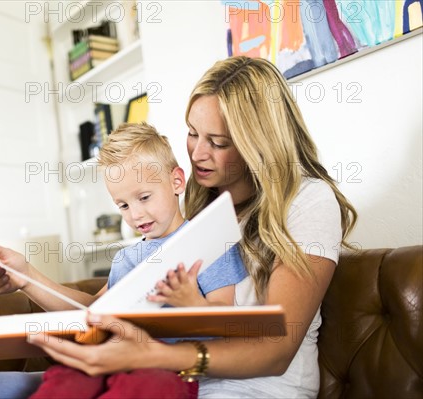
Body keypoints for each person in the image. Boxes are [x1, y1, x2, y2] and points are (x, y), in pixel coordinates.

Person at [25, 56, 358, 398]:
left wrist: (153, 354)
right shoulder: (199, 212)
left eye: (217, 142)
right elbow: (93, 311)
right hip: (171, 377)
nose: (197, 153)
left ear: (258, 143)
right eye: (193, 133)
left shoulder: (307, 202)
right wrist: (26, 278)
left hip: (251, 390)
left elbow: (275, 350)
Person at [0, 122, 248, 399]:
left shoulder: (208, 242)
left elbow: (227, 326)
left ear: (176, 181)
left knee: (148, 386)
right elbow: (87, 311)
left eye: (144, 197)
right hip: (110, 358)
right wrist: (27, 277)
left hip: (169, 369)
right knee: (67, 376)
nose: (136, 214)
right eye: (124, 206)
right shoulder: (128, 259)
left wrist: (188, 302)